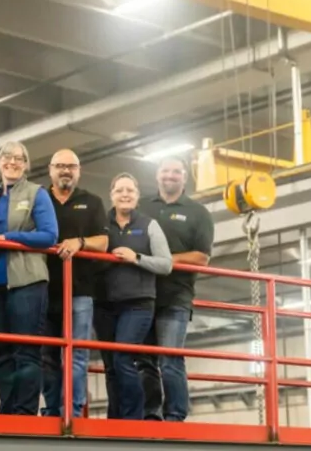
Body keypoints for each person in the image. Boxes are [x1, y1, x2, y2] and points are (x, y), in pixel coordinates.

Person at [0, 141, 57, 415]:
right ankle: (7, 411)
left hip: (26, 283)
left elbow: (49, 235)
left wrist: (10, 238)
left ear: (26, 164)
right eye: (7, 157)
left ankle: (25, 412)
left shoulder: (37, 194)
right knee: (2, 354)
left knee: (27, 352)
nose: (12, 162)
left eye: (19, 158)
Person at [137, 157, 215, 421]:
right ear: (157, 175)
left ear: (185, 177)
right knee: (144, 361)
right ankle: (150, 414)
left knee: (170, 359)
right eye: (165, 170)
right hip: (142, 295)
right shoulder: (142, 206)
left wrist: (165, 260)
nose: (170, 176)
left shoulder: (198, 213)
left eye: (176, 172)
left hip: (175, 297)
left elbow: (202, 258)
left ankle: (175, 416)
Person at [94, 173, 172, 420]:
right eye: (119, 191)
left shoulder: (149, 225)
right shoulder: (101, 222)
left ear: (137, 196)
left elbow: (166, 264)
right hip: (104, 303)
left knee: (123, 358)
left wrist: (136, 258)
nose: (125, 195)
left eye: (130, 190)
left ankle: (132, 418)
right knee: (110, 365)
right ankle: (115, 419)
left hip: (137, 304)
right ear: (112, 195)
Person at [40, 149, 109, 418]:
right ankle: (52, 411)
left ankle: (73, 411)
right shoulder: (39, 198)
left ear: (79, 171)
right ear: (50, 169)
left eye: (71, 166)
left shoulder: (91, 202)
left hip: (79, 291)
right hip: (43, 289)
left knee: (76, 355)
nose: (65, 171)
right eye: (60, 166)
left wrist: (79, 242)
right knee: (46, 356)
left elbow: (103, 243)